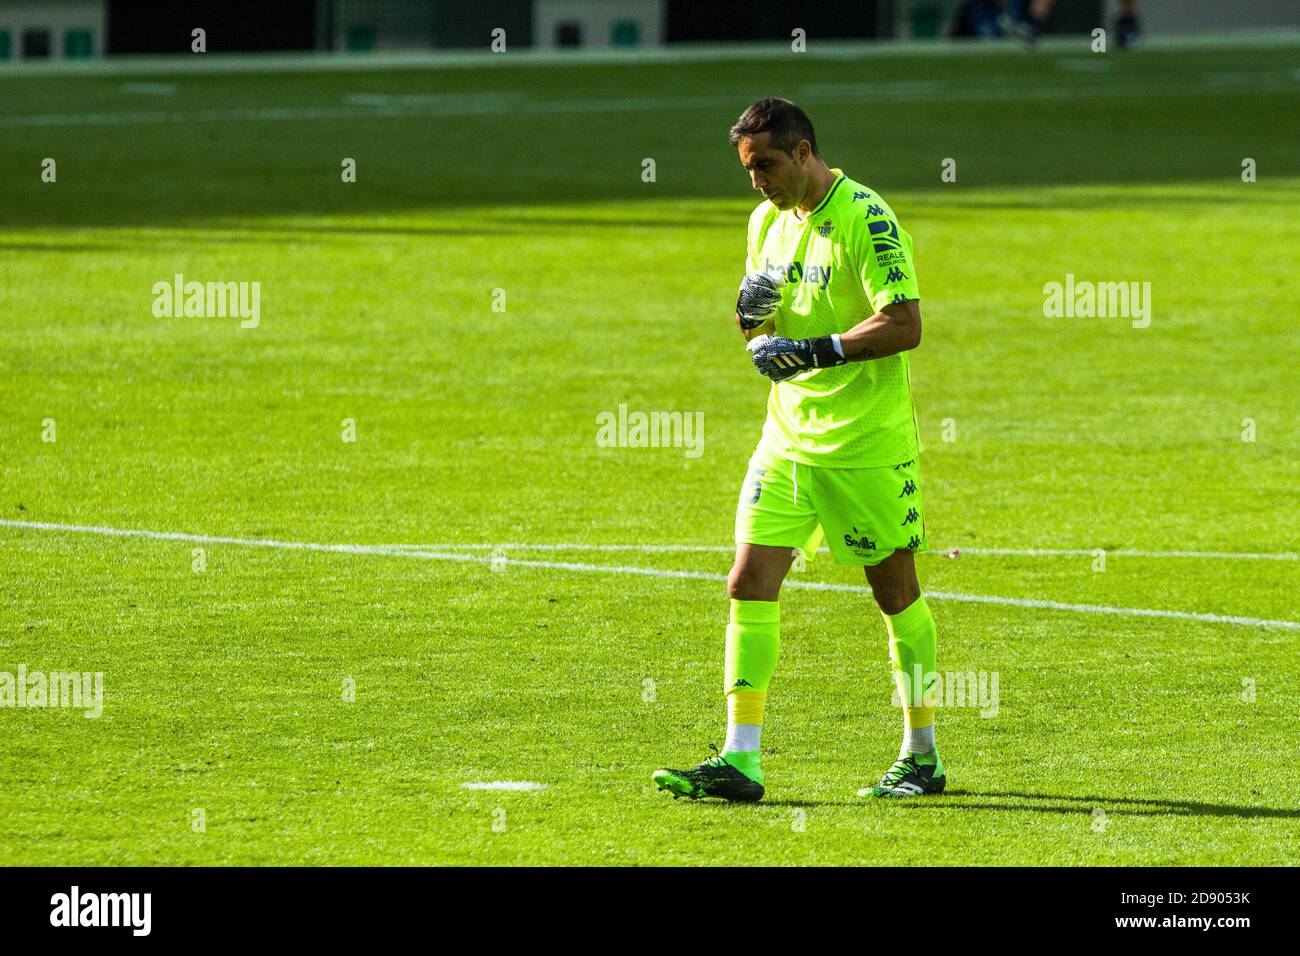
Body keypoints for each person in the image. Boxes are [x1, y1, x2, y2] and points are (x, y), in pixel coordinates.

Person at [652, 98, 945, 802]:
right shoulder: (765, 223)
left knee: (894, 594)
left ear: (805, 151)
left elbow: (906, 325)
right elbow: (761, 332)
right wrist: (752, 324)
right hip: (787, 436)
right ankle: (741, 759)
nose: (758, 182)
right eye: (748, 170)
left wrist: (818, 349)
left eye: (767, 166)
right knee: (747, 582)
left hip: (866, 443)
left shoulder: (866, 218)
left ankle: (922, 756)